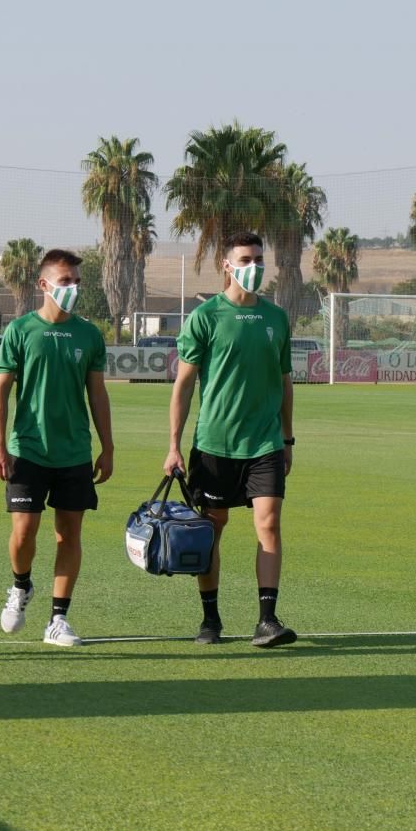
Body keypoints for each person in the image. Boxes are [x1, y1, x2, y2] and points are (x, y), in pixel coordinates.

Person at [163, 231, 296, 647]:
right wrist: (173, 445)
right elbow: (183, 387)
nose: (253, 266)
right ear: (226, 265)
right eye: (245, 258)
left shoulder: (276, 318)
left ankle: (267, 620)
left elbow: (285, 382)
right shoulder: (205, 318)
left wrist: (287, 439)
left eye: (259, 258)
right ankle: (210, 618)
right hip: (214, 445)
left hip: (265, 444)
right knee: (211, 530)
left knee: (269, 523)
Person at [0, 249, 113, 646]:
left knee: (69, 535)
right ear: (43, 285)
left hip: (74, 452)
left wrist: (107, 446)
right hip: (27, 450)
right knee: (24, 533)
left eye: (77, 281)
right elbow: (0, 392)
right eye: (65, 281)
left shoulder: (89, 335)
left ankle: (58, 619)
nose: (73, 287)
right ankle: (21, 586)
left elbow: (97, 395)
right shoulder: (20, 331)